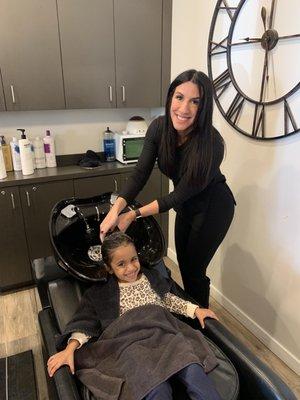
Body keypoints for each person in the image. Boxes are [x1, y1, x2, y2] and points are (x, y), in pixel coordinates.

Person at [99, 69, 235, 308]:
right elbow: (140, 174)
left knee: (195, 272)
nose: (184, 109)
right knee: (184, 267)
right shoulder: (159, 128)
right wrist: (114, 211)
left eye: (195, 102)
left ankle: (201, 329)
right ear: (170, 97)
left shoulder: (212, 144)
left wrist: (132, 213)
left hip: (213, 209)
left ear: (204, 108)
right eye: (179, 97)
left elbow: (178, 194)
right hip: (185, 208)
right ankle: (191, 317)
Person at [47, 231, 221, 400]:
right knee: (154, 386)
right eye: (121, 264)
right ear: (109, 268)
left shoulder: (151, 277)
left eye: (133, 259)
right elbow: (86, 324)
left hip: (166, 336)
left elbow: (169, 300)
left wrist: (195, 310)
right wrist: (69, 349)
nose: (130, 268)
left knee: (192, 367)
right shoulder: (100, 294)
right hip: (130, 345)